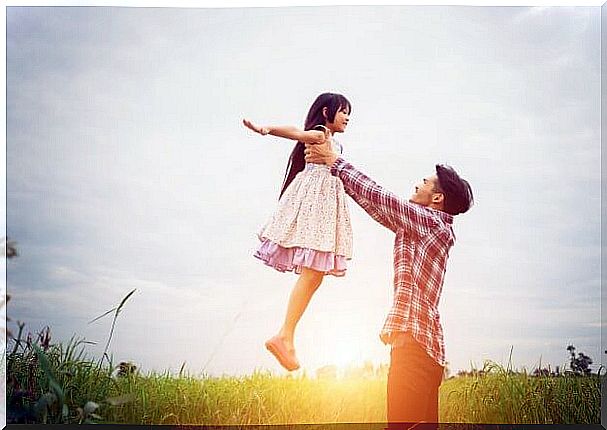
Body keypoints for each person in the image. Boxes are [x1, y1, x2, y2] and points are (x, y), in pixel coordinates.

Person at [304, 141, 474, 427]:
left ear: (437, 199)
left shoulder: (432, 224)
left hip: (415, 347)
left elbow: (384, 198)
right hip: (421, 349)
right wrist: (337, 177)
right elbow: (377, 207)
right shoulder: (418, 224)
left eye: (424, 182)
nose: (417, 184)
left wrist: (336, 162)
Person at [242, 92, 353, 372]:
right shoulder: (320, 134)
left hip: (324, 204)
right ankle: (285, 335)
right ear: (326, 112)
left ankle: (286, 336)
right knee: (313, 273)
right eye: (343, 111)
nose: (347, 117)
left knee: (314, 275)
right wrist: (267, 130)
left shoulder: (334, 142)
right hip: (316, 203)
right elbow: (295, 133)